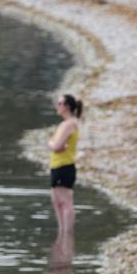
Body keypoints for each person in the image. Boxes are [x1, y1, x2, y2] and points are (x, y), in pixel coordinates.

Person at [46, 93, 82, 235]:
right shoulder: (64, 124)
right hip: (57, 165)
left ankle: (67, 234)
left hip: (65, 166)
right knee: (56, 201)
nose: (57, 106)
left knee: (65, 201)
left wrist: (51, 143)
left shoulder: (70, 124)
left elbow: (57, 146)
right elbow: (58, 146)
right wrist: (55, 144)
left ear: (67, 106)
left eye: (60, 103)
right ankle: (62, 232)